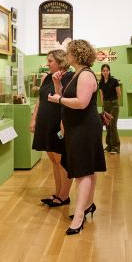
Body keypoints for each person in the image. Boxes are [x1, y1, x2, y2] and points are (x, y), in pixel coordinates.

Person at [48, 39, 106, 235]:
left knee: (83, 171)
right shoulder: (77, 74)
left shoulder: (86, 75)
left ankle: (79, 215)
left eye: (69, 52)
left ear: (77, 54)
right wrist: (57, 85)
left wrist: (60, 98)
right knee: (87, 169)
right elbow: (64, 100)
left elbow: (81, 103)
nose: (67, 56)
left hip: (85, 128)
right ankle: (88, 205)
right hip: (76, 128)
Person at [31, 49, 74, 207]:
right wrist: (34, 119)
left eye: (50, 61)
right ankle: (58, 193)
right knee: (53, 160)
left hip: (58, 122)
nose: (47, 64)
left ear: (60, 61)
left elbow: (67, 101)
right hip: (45, 122)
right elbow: (39, 101)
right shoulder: (46, 77)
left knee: (61, 160)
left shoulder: (69, 77)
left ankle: (64, 195)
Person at [98, 64, 121, 153]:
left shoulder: (114, 81)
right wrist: (103, 104)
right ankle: (109, 146)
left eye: (107, 70)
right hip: (105, 105)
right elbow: (101, 95)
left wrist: (114, 102)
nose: (105, 72)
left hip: (114, 105)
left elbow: (119, 94)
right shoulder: (101, 82)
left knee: (113, 126)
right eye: (103, 70)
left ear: (109, 71)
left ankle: (116, 147)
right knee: (107, 126)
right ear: (102, 72)